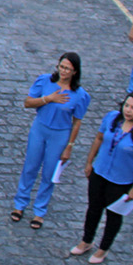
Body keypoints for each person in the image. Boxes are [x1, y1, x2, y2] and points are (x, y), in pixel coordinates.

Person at [70, 90, 133, 265]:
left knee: (113, 216)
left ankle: (103, 248)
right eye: (127, 106)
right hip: (100, 172)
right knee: (93, 209)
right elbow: (99, 139)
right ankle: (86, 241)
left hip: (121, 180)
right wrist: (89, 162)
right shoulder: (111, 118)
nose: (128, 111)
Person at [11, 52, 89, 228]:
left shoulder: (80, 95)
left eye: (68, 69)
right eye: (62, 67)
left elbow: (77, 122)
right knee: (30, 167)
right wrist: (48, 99)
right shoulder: (45, 81)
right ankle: (20, 204)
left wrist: (70, 146)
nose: (63, 71)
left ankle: (40, 210)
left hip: (60, 134)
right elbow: (28, 102)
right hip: (40, 128)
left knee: (49, 173)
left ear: (75, 72)